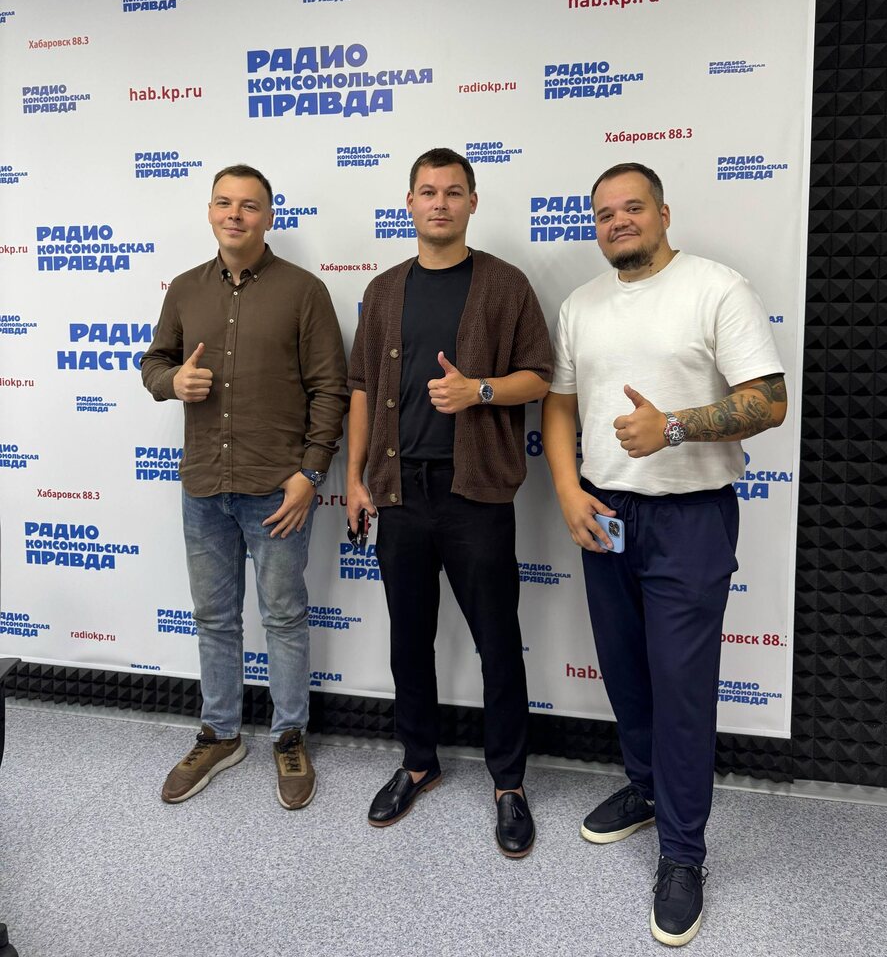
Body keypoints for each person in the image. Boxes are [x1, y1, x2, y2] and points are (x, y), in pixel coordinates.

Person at [542, 162, 786, 945]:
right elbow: (559, 405)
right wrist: (568, 490)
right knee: (625, 672)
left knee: (681, 690)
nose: (618, 221)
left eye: (633, 208)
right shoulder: (581, 305)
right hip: (606, 515)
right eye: (604, 213)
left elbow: (769, 400)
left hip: (689, 520)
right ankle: (647, 790)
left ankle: (683, 854)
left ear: (663, 213)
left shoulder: (716, 289)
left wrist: (673, 426)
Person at [346, 147, 553, 857]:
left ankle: (509, 782)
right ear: (409, 203)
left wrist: (479, 391)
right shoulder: (382, 290)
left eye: (453, 191)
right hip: (399, 493)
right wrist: (354, 478)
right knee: (409, 638)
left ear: (472, 202)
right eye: (428, 192)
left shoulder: (505, 284)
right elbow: (362, 387)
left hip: (476, 494)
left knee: (497, 641)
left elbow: (539, 376)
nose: (440, 203)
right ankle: (418, 761)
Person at [141, 164, 348, 810]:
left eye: (249, 205)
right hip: (204, 485)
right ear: (210, 212)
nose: (235, 214)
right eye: (224, 203)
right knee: (214, 619)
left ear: (269, 216)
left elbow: (330, 389)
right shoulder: (184, 289)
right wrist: (172, 383)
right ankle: (221, 734)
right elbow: (154, 362)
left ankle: (289, 735)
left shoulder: (305, 291)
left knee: (284, 617)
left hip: (276, 491)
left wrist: (310, 474)